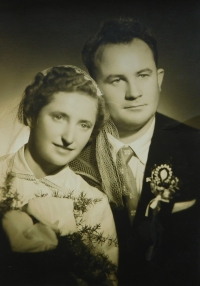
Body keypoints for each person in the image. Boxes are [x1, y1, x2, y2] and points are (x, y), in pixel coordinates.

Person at [69, 18, 200, 285]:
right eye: (117, 80)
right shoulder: (70, 158)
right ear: (93, 90)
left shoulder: (195, 148)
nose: (134, 92)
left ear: (159, 79)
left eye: (143, 75)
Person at [0, 65, 118, 285]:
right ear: (32, 115)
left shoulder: (94, 203)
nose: (69, 137)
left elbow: (106, 279)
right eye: (59, 117)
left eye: (84, 125)